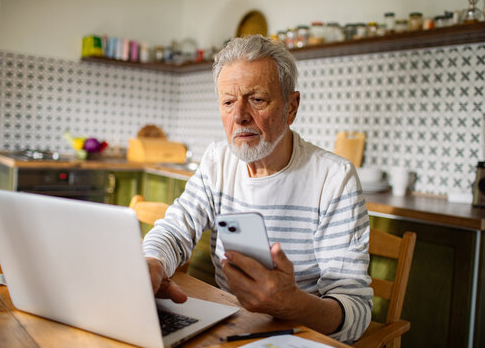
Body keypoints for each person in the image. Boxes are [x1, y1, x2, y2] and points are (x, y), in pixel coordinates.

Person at [142, 34, 372, 343]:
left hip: (301, 335)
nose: (239, 116)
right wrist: (152, 262)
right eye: (228, 102)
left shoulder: (334, 178)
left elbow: (355, 314)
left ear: (291, 107)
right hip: (232, 324)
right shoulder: (217, 161)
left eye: (257, 99)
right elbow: (175, 228)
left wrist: (292, 303)